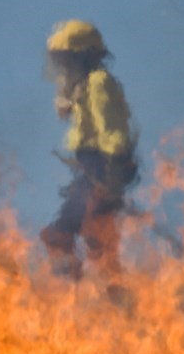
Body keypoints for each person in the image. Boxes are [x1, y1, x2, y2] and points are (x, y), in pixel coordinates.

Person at [40, 19, 139, 281]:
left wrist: (112, 172)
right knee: (65, 232)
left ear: (84, 57)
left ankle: (110, 291)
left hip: (105, 167)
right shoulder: (82, 87)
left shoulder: (98, 83)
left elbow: (112, 129)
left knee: (90, 234)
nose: (63, 67)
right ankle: (77, 283)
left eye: (67, 60)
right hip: (93, 170)